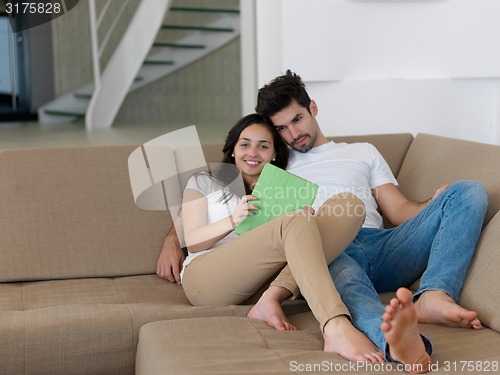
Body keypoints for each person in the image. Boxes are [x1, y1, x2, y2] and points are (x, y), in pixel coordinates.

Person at [253, 70, 488, 372]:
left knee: (469, 191)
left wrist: (436, 202)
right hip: (330, 249)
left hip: (384, 246)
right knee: (347, 282)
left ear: (312, 107)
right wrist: (170, 240)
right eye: (281, 128)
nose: (293, 133)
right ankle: (397, 343)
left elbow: (400, 210)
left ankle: (434, 295)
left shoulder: (362, 152)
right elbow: (243, 221)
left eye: (297, 119)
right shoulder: (275, 169)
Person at [176, 113, 380, 361]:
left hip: (263, 281)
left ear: (273, 154)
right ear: (232, 150)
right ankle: (334, 325)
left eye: (263, 146)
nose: (253, 152)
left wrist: (306, 225)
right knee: (296, 219)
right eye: (245, 144)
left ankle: (272, 298)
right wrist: (233, 220)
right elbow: (193, 241)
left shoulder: (284, 191)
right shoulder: (204, 182)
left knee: (350, 205)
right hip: (208, 278)